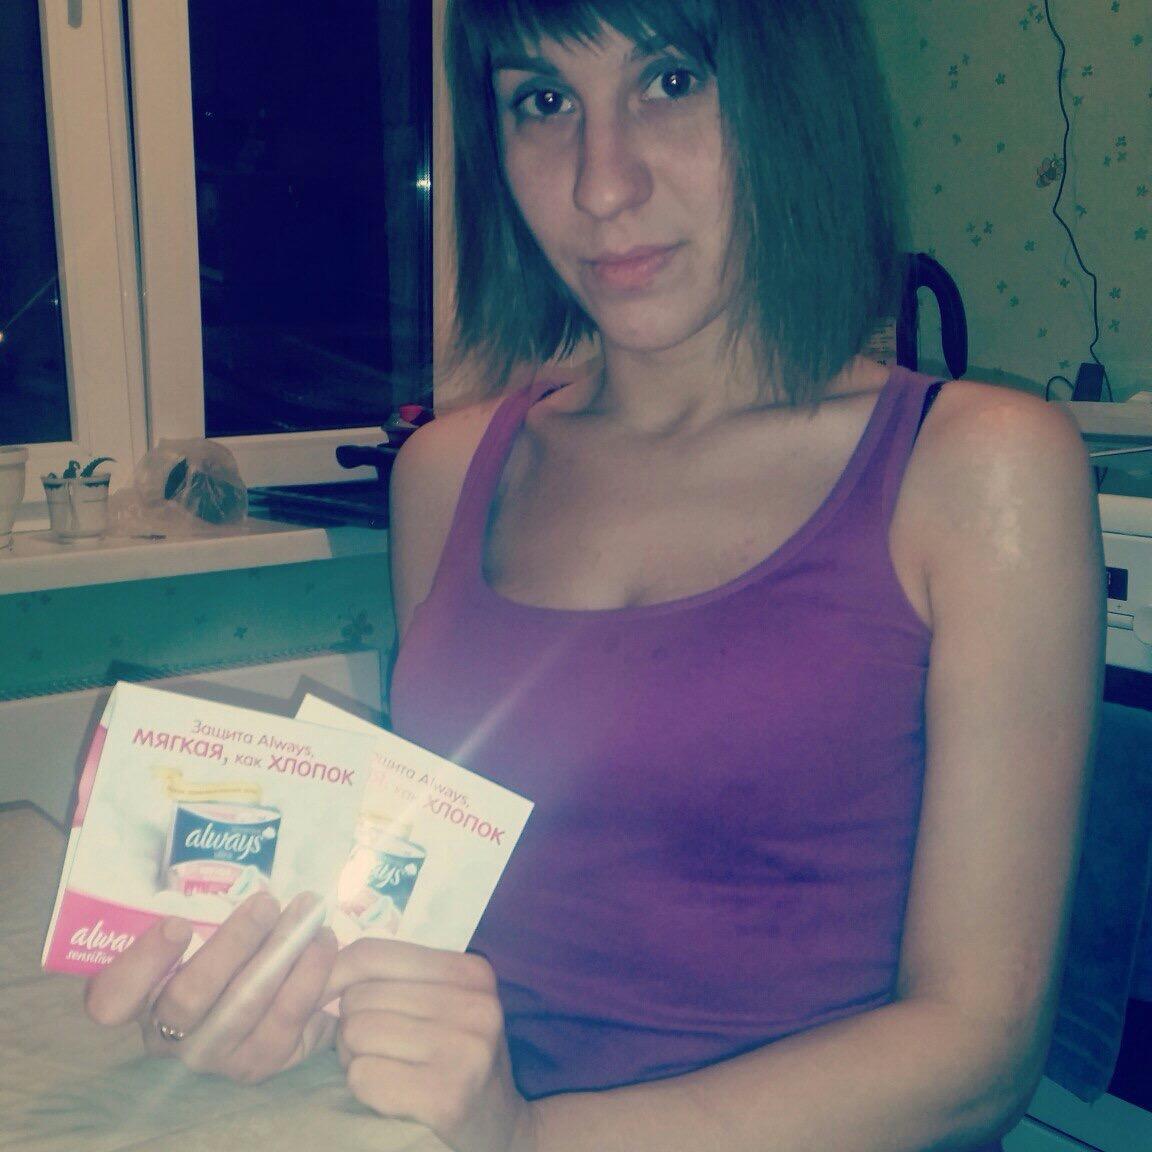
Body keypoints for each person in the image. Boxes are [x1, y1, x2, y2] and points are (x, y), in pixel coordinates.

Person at [85, 1, 1105, 1150]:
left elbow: (979, 1051)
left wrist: (534, 1136)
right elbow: (437, 902)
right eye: (544, 101)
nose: (601, 183)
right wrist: (288, 1004)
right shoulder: (448, 473)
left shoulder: (977, 466)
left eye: (671, 81)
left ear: (799, 99)